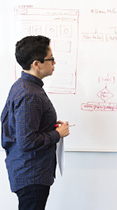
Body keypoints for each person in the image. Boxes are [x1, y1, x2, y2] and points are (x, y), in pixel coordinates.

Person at [1, 35, 70, 210]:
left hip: (28, 171)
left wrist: (50, 127)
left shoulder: (26, 86)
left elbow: (23, 129)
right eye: (51, 59)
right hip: (31, 174)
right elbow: (27, 141)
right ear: (36, 64)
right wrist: (57, 134)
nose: (54, 63)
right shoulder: (29, 94)